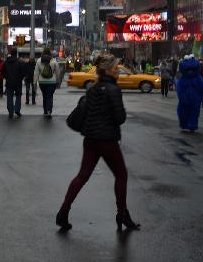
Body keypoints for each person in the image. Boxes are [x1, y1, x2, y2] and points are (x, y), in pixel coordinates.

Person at [56, 53, 139, 232]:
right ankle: (122, 214)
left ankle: (63, 211)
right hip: (107, 140)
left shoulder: (93, 88)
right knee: (121, 175)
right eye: (116, 67)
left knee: (82, 176)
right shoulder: (113, 90)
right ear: (108, 70)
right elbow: (120, 118)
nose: (118, 70)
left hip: (90, 139)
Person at [176, 56, 203, 133]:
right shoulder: (182, 79)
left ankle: (192, 126)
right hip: (184, 101)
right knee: (182, 114)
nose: (190, 71)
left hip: (195, 101)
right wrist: (181, 98)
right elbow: (179, 90)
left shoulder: (198, 78)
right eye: (188, 70)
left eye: (192, 69)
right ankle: (184, 123)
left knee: (194, 114)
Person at [35, 48, 59, 118]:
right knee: (50, 96)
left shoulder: (39, 61)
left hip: (42, 82)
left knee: (44, 96)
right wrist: (58, 81)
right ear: (50, 53)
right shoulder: (53, 61)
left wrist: (34, 82)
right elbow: (58, 72)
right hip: (52, 82)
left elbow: (36, 72)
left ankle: (45, 110)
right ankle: (49, 110)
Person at [3, 48, 23, 118]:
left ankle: (10, 111)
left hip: (9, 82)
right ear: (16, 53)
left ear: (10, 53)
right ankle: (17, 109)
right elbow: (22, 72)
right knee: (18, 96)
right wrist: (20, 78)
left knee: (9, 97)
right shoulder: (20, 62)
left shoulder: (6, 62)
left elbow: (3, 72)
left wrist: (7, 77)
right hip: (18, 82)